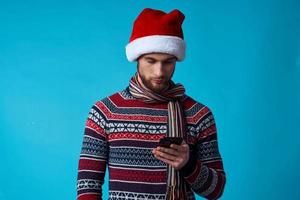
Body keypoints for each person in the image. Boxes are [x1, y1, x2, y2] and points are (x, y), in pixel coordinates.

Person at [76, 8, 226, 200]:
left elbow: (216, 190)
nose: (159, 72)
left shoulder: (198, 114)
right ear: (137, 58)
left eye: (168, 62)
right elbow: (88, 186)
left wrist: (189, 165)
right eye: (151, 61)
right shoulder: (105, 111)